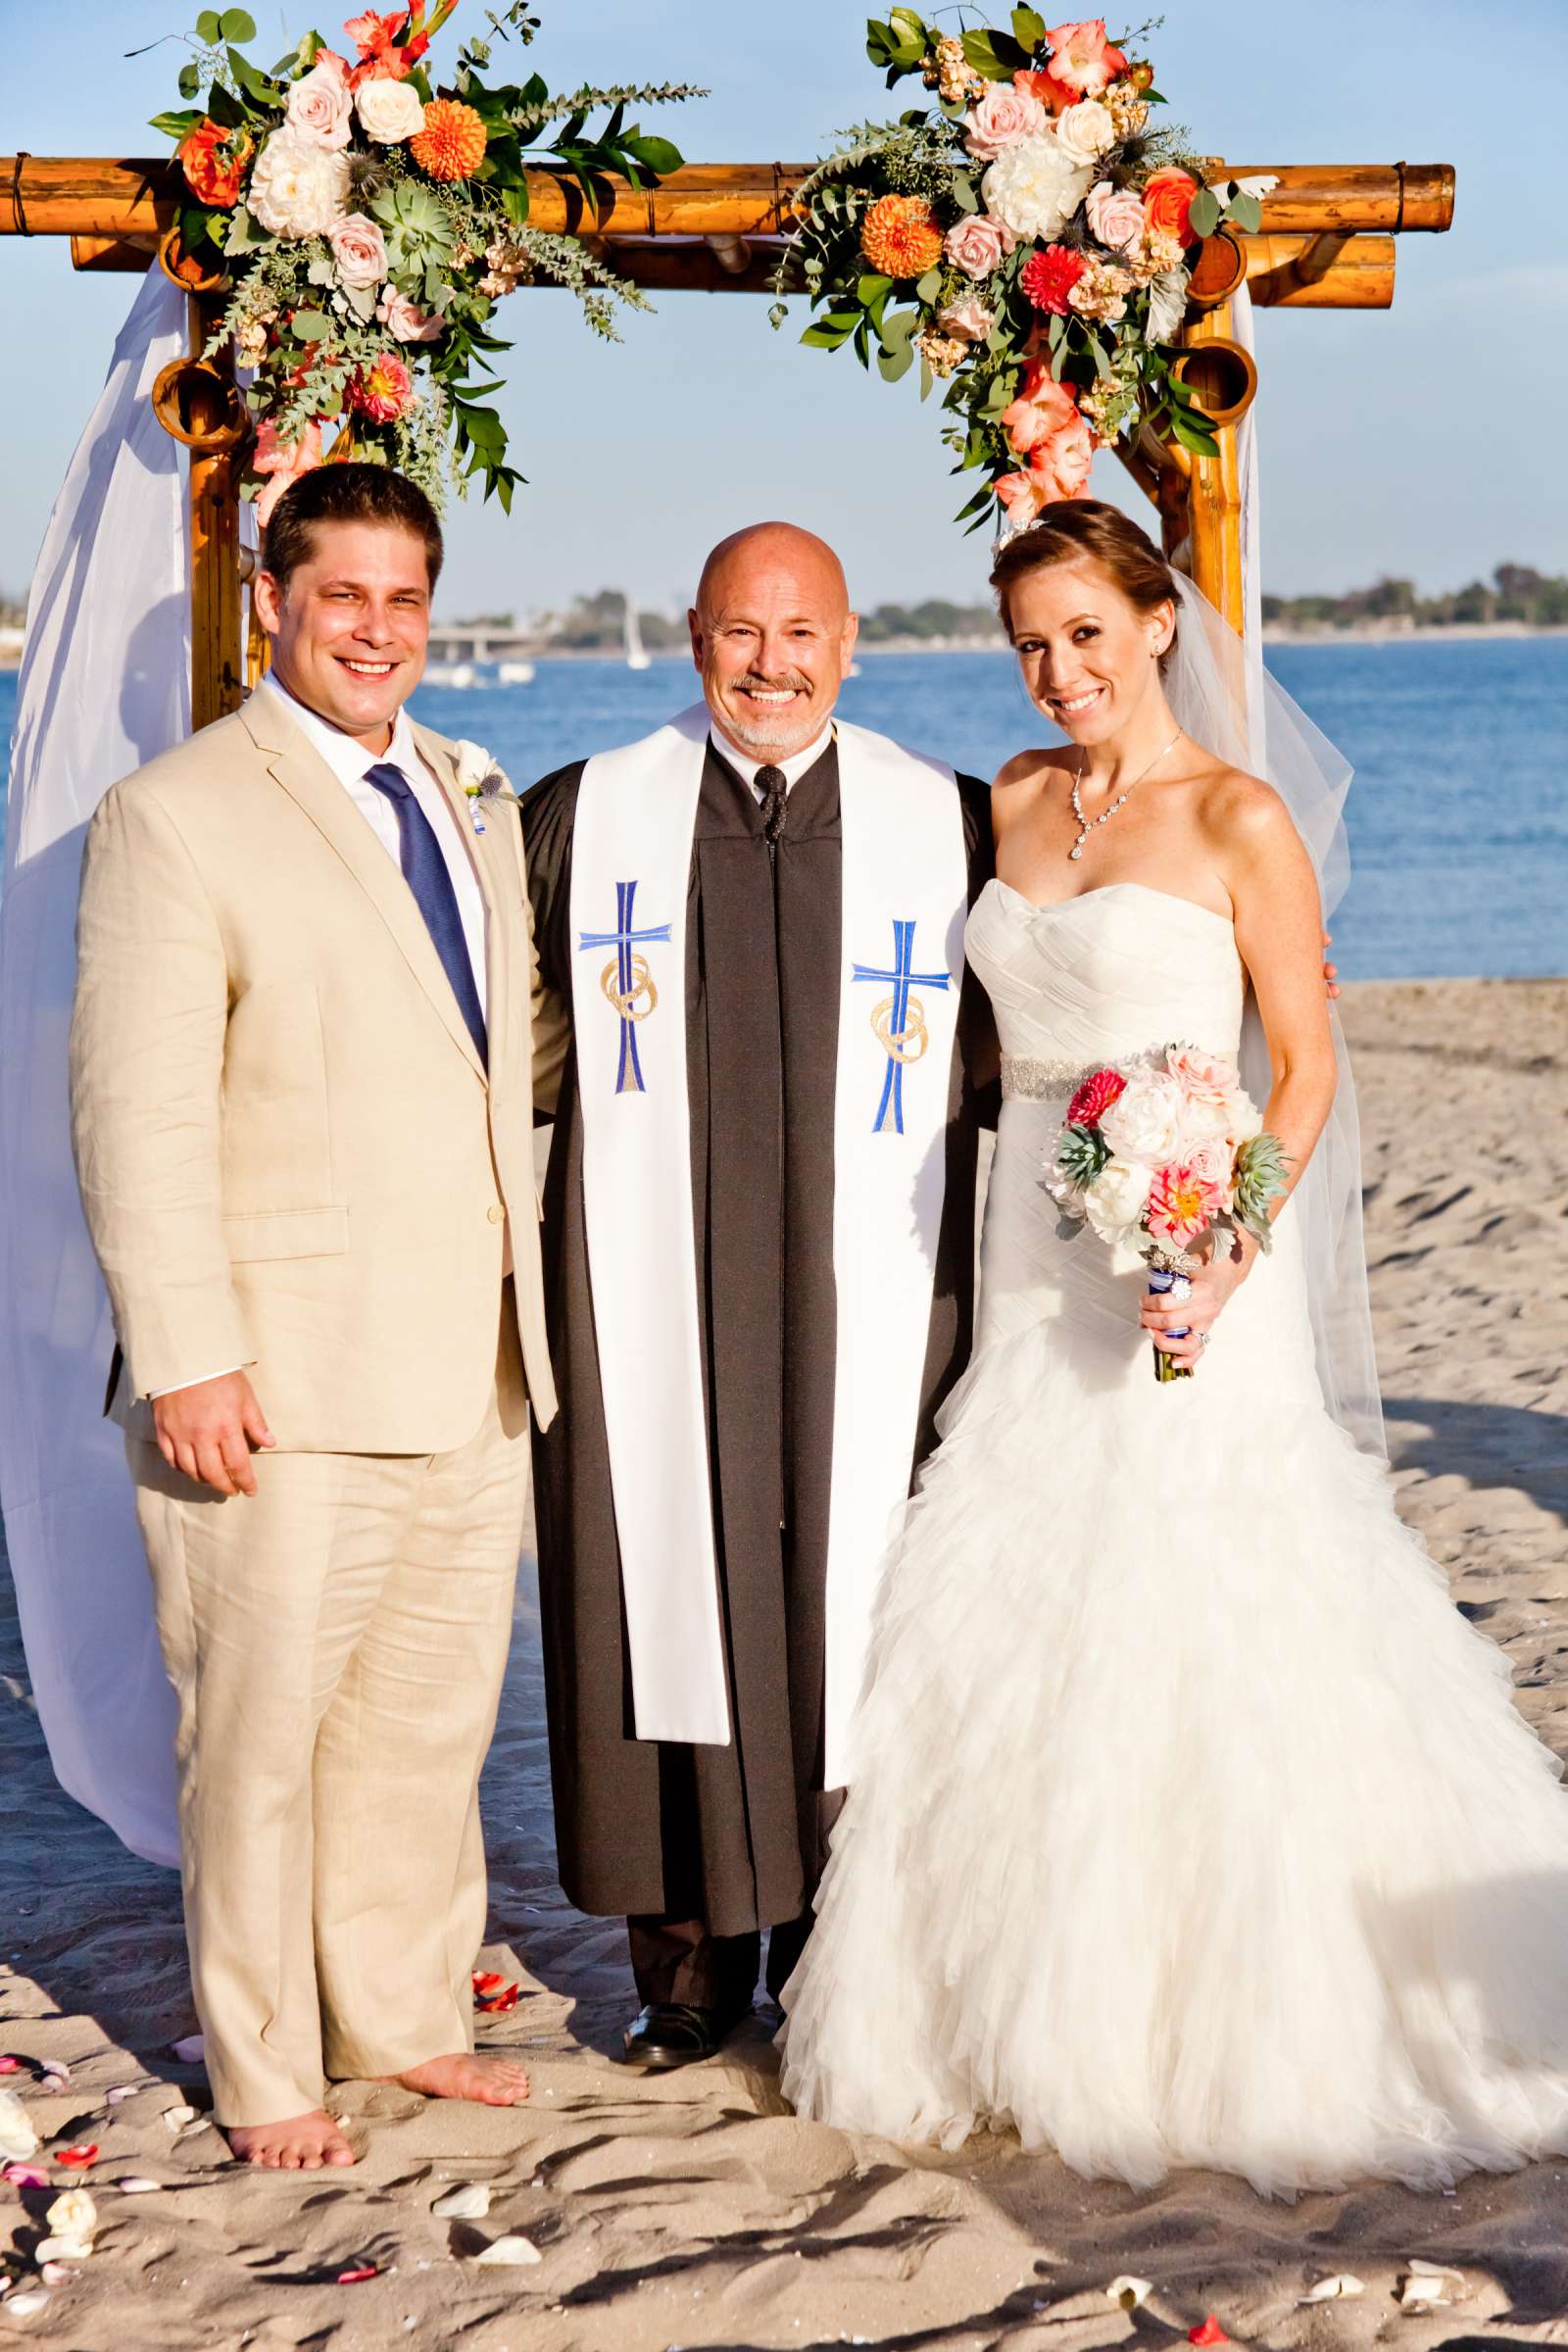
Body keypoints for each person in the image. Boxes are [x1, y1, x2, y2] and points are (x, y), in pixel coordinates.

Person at [779, 499, 1568, 2197]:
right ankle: (997, 2002)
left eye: (1085, 633)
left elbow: (1301, 1067)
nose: (1058, 671)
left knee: (1204, 1595)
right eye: (1029, 643)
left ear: (1155, 623)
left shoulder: (1240, 816)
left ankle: (1225, 2017)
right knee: (1014, 1580)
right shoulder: (1008, 801)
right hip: (1025, 1245)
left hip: (1193, 1256)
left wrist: (1215, 1252)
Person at [68, 464, 562, 2170]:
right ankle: (268, 2061)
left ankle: (406, 2014)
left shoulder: (467, 792)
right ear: (274, 598)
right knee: (260, 1738)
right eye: (340, 593)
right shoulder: (178, 813)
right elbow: (134, 1113)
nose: (375, 626)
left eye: (403, 595)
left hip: (472, 1356)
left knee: (427, 1729)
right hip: (269, 1369)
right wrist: (188, 1348)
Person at [521, 523, 999, 2066]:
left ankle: (846, 1954)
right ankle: (689, 1973)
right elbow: (485, 1053)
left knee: (858, 1599)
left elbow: (1034, 1055)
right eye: (742, 633)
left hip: (881, 1295)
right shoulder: (583, 821)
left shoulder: (957, 829)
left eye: (804, 635)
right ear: (693, 633)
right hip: (647, 1290)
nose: (773, 664)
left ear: (851, 644)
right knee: (660, 1574)